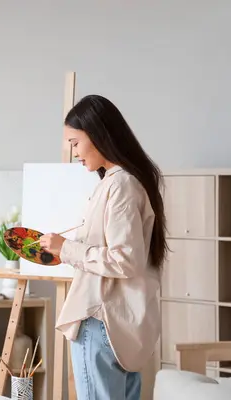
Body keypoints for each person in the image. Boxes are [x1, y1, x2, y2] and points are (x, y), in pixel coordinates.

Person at [39, 94, 168, 400]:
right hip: (124, 325)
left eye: (74, 142)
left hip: (102, 321)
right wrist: (65, 251)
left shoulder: (120, 184)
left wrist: (67, 248)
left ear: (96, 135)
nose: (74, 153)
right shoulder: (128, 181)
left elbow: (124, 260)